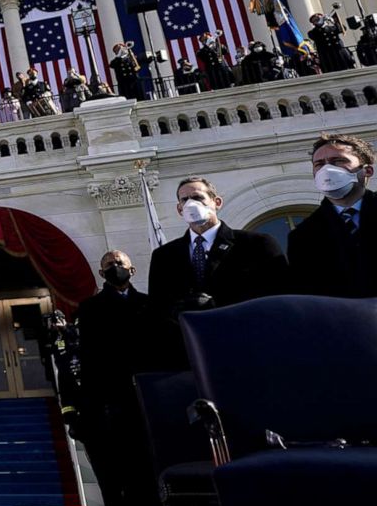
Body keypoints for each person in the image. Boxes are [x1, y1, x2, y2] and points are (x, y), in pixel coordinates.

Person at [146, 176, 288, 368]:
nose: (190, 204)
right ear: (179, 209)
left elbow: (279, 296)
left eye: (197, 197)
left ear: (216, 202)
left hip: (250, 349)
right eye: (184, 200)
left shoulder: (257, 244)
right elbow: (157, 308)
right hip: (193, 356)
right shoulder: (164, 256)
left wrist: (218, 304)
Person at [72, 251, 154, 506]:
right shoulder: (90, 309)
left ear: (132, 270)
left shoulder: (149, 304)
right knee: (116, 482)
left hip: (146, 401)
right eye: (109, 264)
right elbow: (89, 360)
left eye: (120, 263)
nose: (115, 267)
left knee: (148, 478)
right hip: (110, 405)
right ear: (101, 273)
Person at [289, 134, 376, 298]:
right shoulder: (302, 237)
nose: (326, 170)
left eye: (338, 161)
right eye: (319, 164)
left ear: (367, 170)